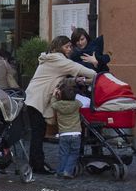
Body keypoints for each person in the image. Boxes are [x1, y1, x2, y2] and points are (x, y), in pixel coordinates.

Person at [25, 36, 96, 174]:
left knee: (37, 133)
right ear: (59, 47)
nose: (70, 49)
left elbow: (58, 78)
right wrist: (96, 75)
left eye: (70, 46)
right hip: (38, 100)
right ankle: (37, 165)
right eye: (67, 46)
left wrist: (76, 80)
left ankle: (35, 163)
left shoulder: (50, 58)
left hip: (33, 98)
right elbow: (84, 70)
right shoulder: (59, 60)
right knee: (38, 134)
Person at [52, 77, 83, 179]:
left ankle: (60, 172)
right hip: (76, 133)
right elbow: (82, 103)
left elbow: (52, 104)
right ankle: (68, 171)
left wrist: (55, 95)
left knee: (63, 154)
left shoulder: (58, 105)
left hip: (64, 134)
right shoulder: (76, 104)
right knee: (74, 153)